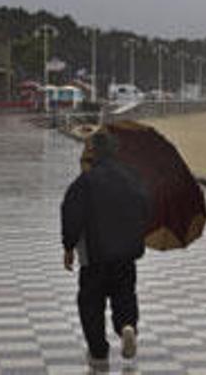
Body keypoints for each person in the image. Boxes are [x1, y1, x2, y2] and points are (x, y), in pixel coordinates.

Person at [61, 131, 151, 369]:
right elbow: (146, 208)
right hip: (126, 253)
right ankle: (126, 326)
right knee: (124, 294)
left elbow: (71, 214)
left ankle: (99, 351)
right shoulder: (133, 177)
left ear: (95, 152)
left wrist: (68, 246)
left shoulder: (86, 181)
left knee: (91, 302)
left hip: (95, 254)